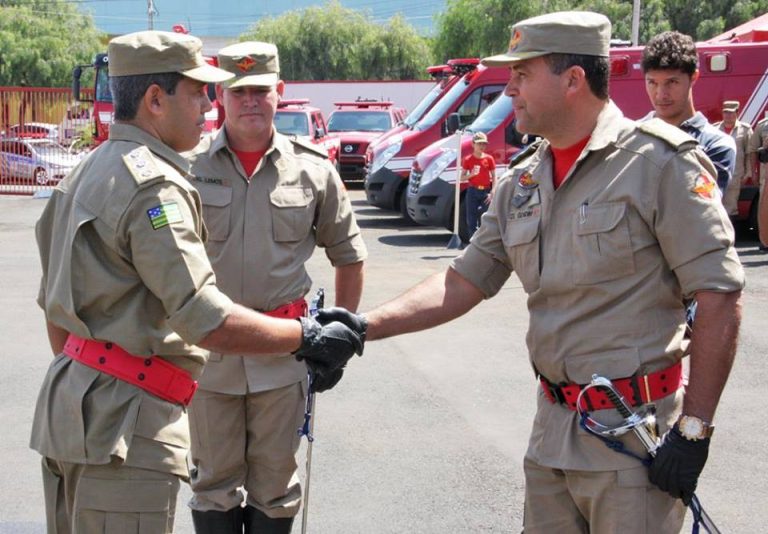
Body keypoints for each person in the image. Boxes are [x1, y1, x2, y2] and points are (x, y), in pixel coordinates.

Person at [304, 12, 745, 533]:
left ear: (573, 80)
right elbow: (464, 280)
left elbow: (720, 294)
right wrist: (361, 328)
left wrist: (693, 432)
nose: (509, 89)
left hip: (634, 438)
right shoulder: (523, 179)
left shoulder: (658, 164)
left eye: (522, 74)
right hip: (553, 432)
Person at [30, 31, 362, 534]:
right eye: (199, 93)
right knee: (212, 486)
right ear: (155, 100)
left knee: (275, 488)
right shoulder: (156, 183)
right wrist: (310, 339)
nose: (208, 106)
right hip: (133, 414)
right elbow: (203, 316)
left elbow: (55, 308)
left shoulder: (89, 169)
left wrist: (92, 379)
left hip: (81, 407)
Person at [183, 41, 367, 532]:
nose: (250, 101)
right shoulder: (188, 167)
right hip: (208, 355)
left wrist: (338, 339)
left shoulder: (313, 168)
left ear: (279, 92)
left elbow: (349, 256)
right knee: (212, 483)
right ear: (220, 95)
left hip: (284, 355)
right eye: (238, 90)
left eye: (260, 90)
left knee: (276, 487)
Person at [641, 31, 736, 194]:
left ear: (694, 77)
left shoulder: (716, 144)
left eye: (672, 82)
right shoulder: (630, 136)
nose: (661, 94)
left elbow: (698, 202)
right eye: (652, 82)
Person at [714, 100, 754, 216]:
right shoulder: (714, 129)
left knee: (730, 209)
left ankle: (731, 228)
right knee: (715, 207)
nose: (728, 115)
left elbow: (749, 152)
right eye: (726, 112)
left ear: (737, 113)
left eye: (731, 112)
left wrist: (748, 173)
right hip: (716, 175)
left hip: (735, 176)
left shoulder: (745, 130)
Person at [461, 131, 496, 239]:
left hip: (485, 191)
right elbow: (461, 177)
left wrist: (493, 191)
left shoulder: (489, 159)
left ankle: (484, 242)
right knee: (471, 219)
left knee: (485, 218)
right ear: (473, 144)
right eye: (479, 143)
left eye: (484, 144)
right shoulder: (468, 159)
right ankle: (473, 242)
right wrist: (471, 174)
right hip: (473, 190)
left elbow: (494, 176)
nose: (482, 146)